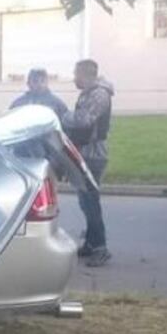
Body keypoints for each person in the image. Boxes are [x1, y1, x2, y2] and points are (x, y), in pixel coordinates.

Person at [62, 59, 115, 268]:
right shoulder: (90, 93)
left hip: (93, 154)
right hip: (85, 152)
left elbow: (84, 120)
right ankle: (91, 243)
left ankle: (101, 248)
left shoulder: (99, 94)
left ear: (86, 74)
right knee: (85, 201)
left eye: (76, 75)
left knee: (91, 201)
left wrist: (63, 115)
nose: (74, 79)